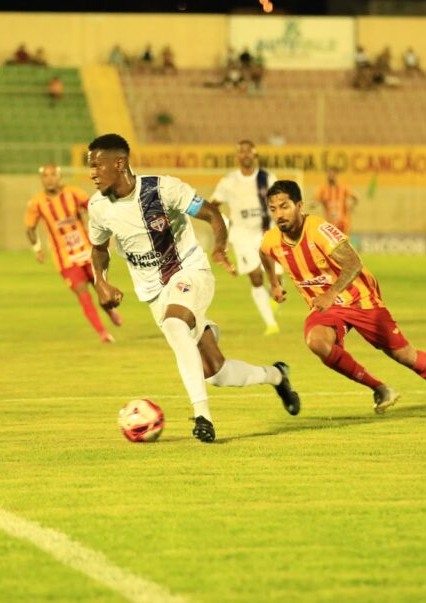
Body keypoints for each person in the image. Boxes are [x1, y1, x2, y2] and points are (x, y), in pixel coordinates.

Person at [86, 133, 299, 443]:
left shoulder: (163, 189)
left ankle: (203, 417)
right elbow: (99, 249)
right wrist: (101, 282)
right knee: (217, 372)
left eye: (97, 165)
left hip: (190, 271)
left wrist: (219, 247)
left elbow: (212, 213)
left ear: (119, 164)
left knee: (175, 325)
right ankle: (277, 375)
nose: (92, 173)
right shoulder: (98, 207)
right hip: (154, 294)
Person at [261, 180, 426, 414]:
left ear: (299, 206)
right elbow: (264, 253)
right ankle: (380, 389)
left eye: (284, 207)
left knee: (403, 354)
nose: (279, 214)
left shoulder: (319, 230)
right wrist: (274, 284)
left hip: (359, 299)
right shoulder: (271, 239)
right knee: (316, 341)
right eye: (273, 209)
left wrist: (332, 293)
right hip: (327, 308)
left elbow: (353, 263)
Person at [26, 164, 122, 343]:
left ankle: (110, 311)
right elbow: (30, 228)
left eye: (52, 175)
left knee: (102, 290)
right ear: (41, 179)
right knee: (83, 295)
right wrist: (37, 248)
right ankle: (103, 333)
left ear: (59, 176)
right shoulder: (37, 202)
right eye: (45, 176)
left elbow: (92, 208)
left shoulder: (73, 192)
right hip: (65, 259)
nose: (49, 179)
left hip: (88, 252)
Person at [210, 140, 280, 335]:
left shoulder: (268, 178)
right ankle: (271, 324)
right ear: (237, 156)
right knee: (256, 276)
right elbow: (213, 206)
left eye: (249, 151)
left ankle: (272, 301)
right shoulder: (229, 181)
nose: (246, 154)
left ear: (255, 154)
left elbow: (280, 200)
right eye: (242, 151)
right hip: (242, 234)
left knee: (277, 278)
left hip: (267, 231)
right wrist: (223, 225)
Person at [312, 167, 358, 234]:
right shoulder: (322, 190)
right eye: (329, 173)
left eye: (332, 173)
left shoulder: (343, 188)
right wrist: (315, 203)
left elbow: (356, 198)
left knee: (342, 239)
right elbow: (313, 202)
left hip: (343, 223)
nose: (331, 175)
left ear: (336, 174)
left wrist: (351, 208)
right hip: (330, 225)